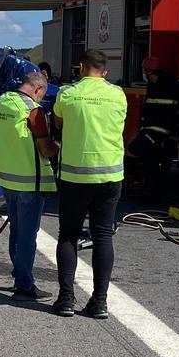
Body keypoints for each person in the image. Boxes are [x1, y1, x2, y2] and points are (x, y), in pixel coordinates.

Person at [52, 49, 127, 319]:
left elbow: (58, 123)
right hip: (110, 176)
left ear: (80, 67)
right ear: (104, 72)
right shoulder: (118, 94)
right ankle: (100, 302)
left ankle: (66, 299)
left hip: (75, 176)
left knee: (69, 234)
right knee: (103, 236)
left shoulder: (67, 93)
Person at [0, 71, 59, 302]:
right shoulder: (33, 111)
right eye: (43, 94)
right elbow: (46, 149)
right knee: (27, 236)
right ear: (38, 89)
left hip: (7, 180)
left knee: (17, 232)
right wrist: (60, 143)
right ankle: (24, 286)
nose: (41, 99)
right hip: (29, 182)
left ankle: (19, 274)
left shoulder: (1, 103)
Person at [126, 56, 179, 163]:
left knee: (137, 149)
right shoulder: (152, 86)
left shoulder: (170, 83)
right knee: (137, 151)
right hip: (149, 130)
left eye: (144, 70)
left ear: (149, 71)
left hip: (160, 133)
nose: (143, 74)